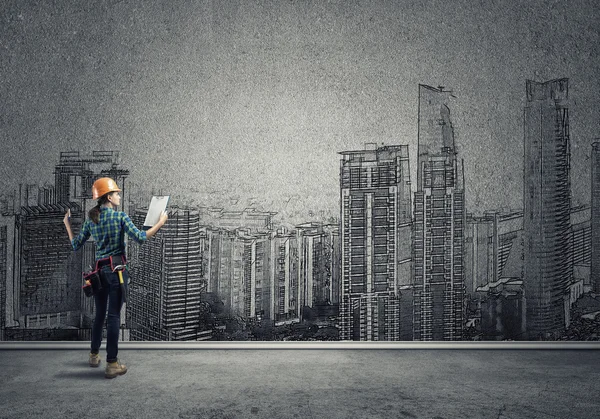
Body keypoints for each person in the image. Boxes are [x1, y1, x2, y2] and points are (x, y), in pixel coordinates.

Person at [63, 177, 168, 379]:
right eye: (117, 194)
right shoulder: (120, 217)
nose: (119, 196)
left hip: (98, 273)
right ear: (109, 197)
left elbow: (75, 245)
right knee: (113, 317)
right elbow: (140, 237)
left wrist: (67, 224)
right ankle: (112, 363)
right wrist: (160, 223)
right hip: (117, 271)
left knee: (99, 315)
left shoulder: (91, 220)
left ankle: (94, 355)